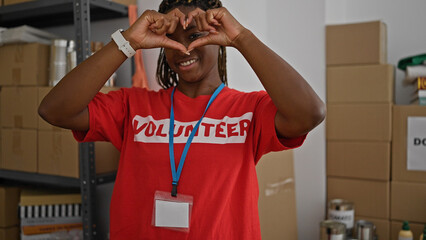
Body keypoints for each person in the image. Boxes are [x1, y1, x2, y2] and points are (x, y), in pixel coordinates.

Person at [38, 0, 326, 239]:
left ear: (218, 38)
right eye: (171, 40)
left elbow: (309, 113)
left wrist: (242, 38)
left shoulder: (248, 109)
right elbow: (55, 110)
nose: (183, 49)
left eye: (193, 37)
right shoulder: (133, 106)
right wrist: (128, 41)